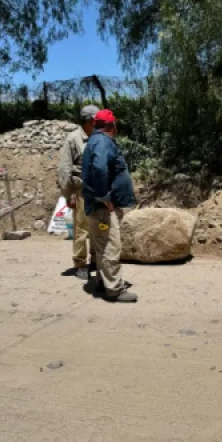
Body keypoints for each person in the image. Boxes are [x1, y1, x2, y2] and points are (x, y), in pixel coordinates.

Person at [81, 109, 138, 303]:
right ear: (111, 125)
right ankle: (114, 289)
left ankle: (102, 281)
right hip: (102, 208)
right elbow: (99, 168)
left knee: (101, 245)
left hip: (98, 206)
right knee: (110, 245)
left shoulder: (95, 141)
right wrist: (104, 196)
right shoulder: (102, 142)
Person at [57, 104, 100, 280]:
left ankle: (96, 259)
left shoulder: (98, 137)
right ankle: (80, 263)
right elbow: (64, 169)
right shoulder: (73, 139)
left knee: (97, 227)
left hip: (98, 190)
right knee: (81, 228)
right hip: (81, 190)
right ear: (90, 121)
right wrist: (69, 195)